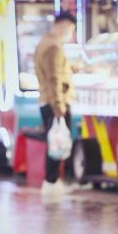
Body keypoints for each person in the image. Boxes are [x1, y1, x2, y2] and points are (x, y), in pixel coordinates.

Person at [33, 13, 76, 194]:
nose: (70, 34)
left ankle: (51, 181)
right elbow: (54, 78)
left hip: (46, 100)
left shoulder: (43, 43)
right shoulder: (53, 47)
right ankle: (51, 181)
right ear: (64, 25)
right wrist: (59, 106)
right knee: (57, 142)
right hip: (55, 102)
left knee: (54, 141)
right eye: (71, 29)